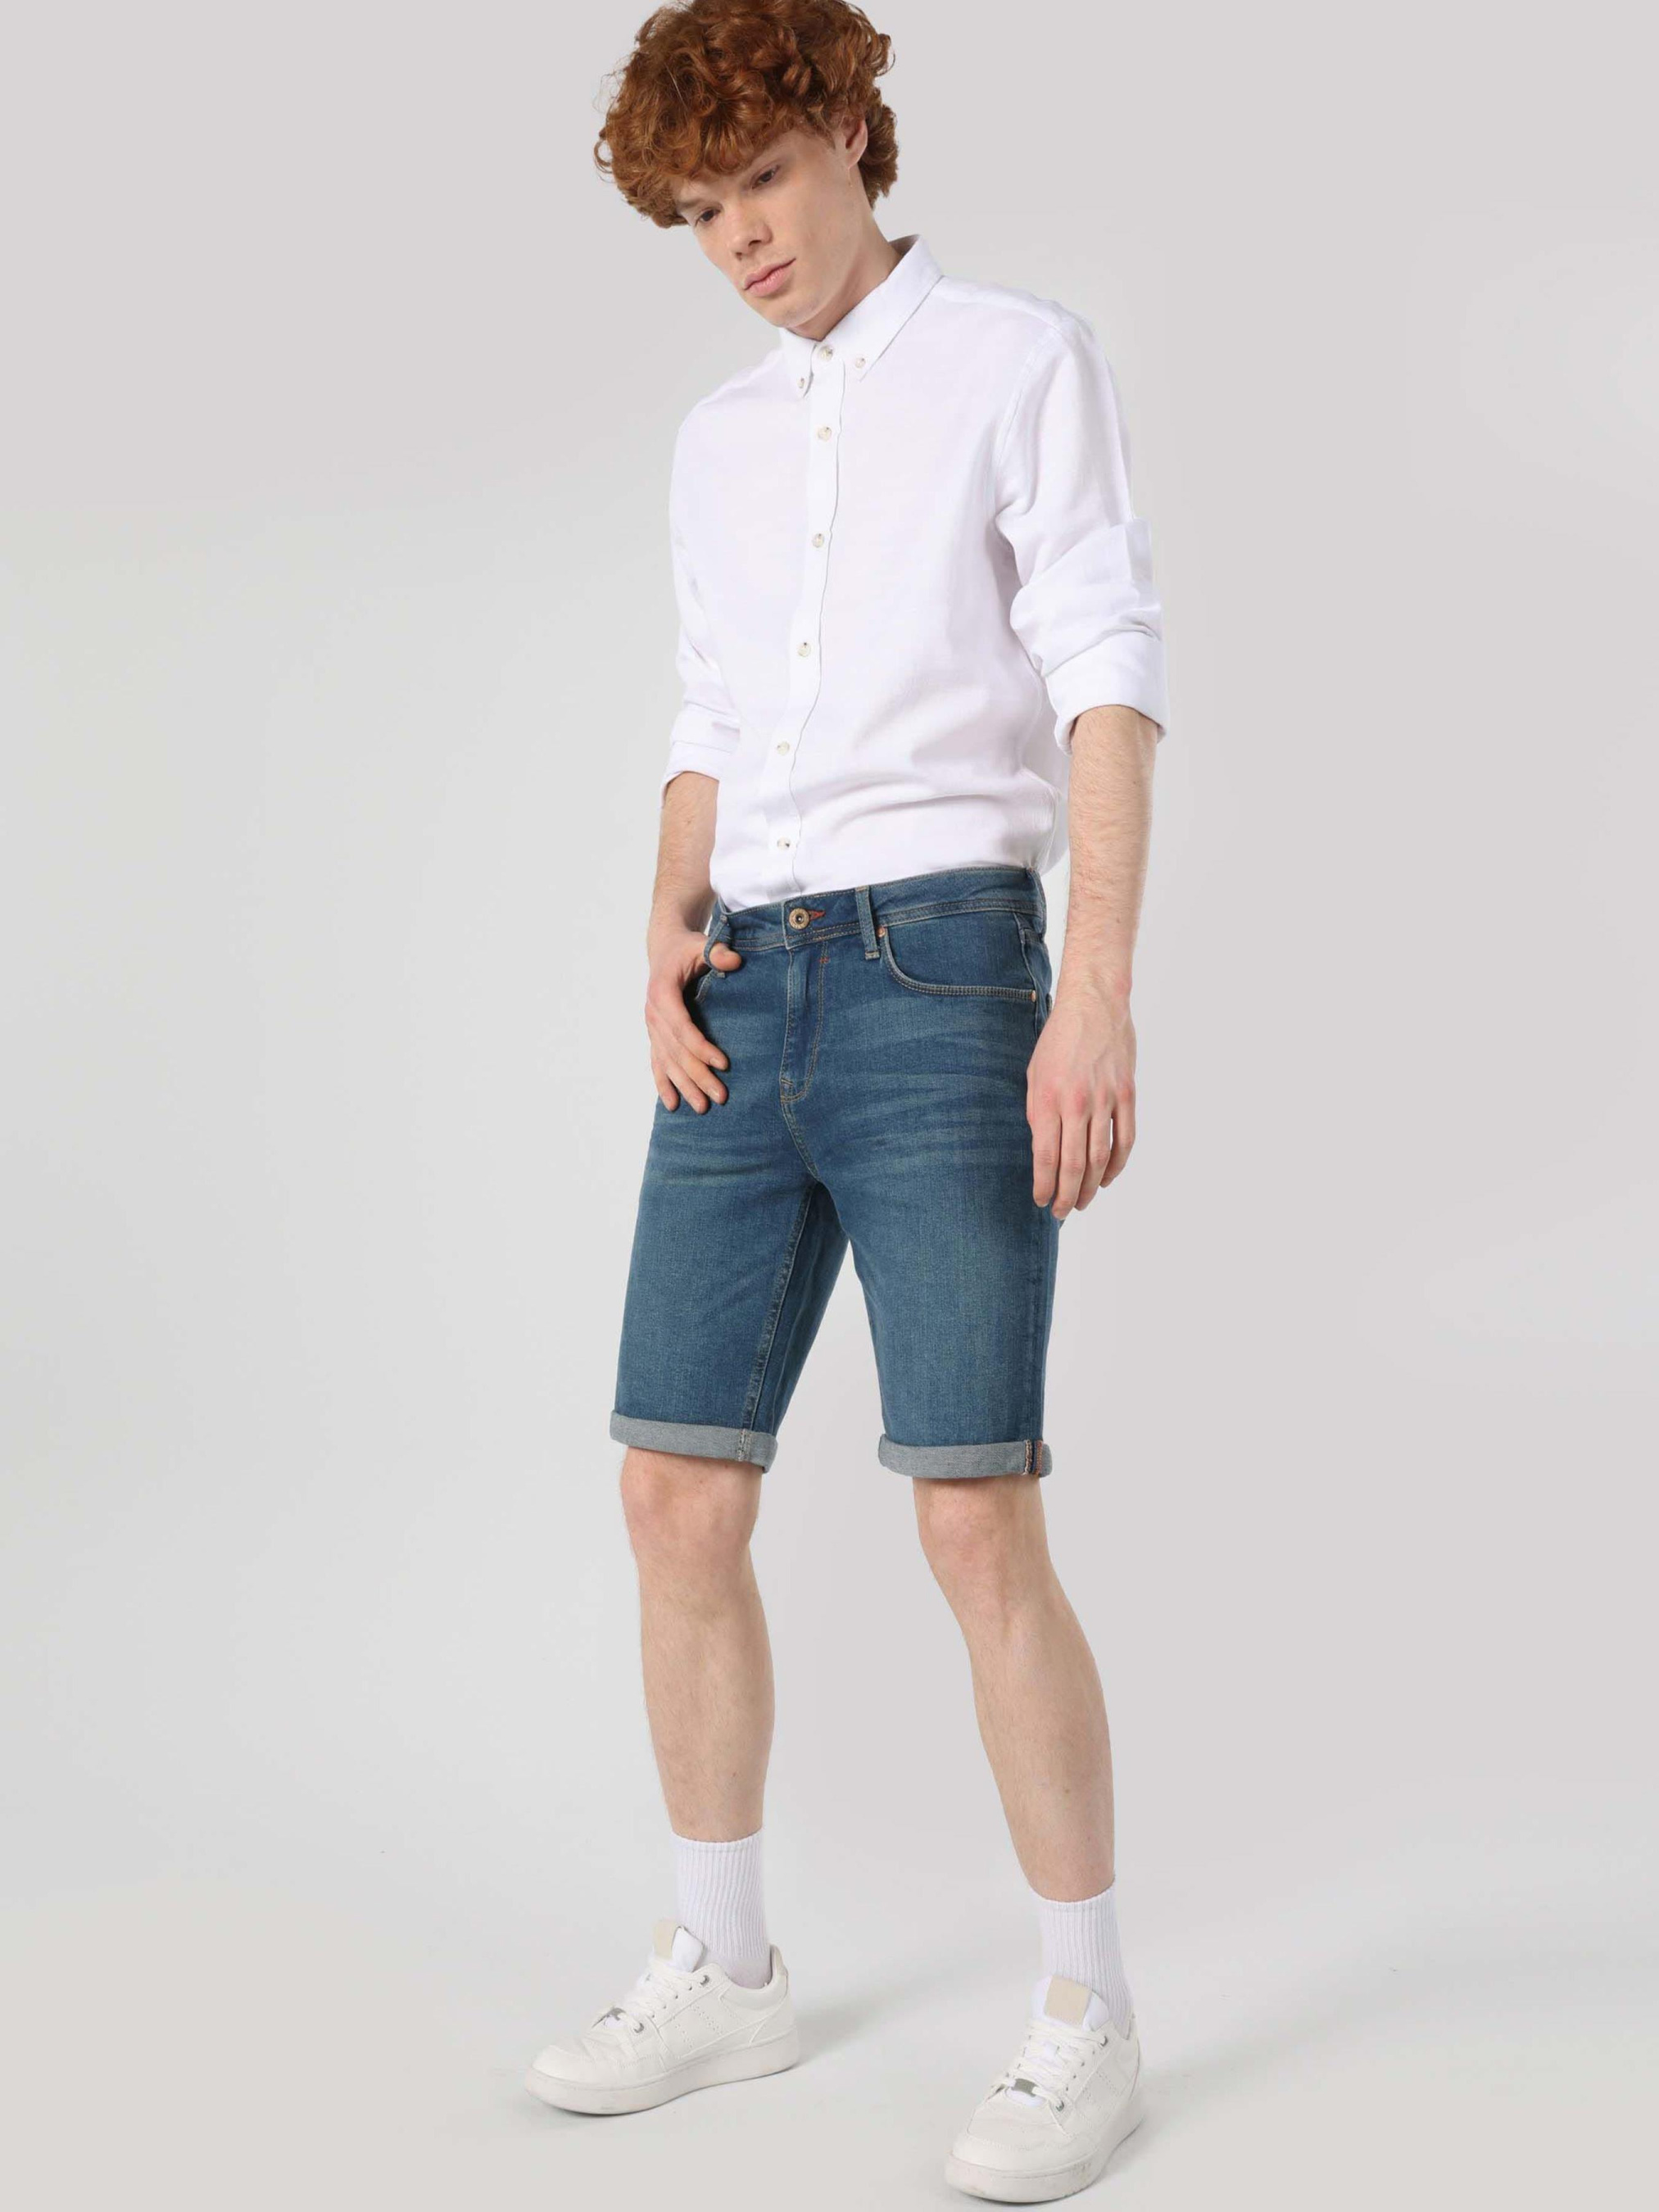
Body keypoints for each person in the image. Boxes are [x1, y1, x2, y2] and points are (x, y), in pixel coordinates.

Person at [526, 3, 1167, 2197]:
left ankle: (1085, 2012)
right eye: (698, 213)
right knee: (669, 1491)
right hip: (743, 985)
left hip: (944, 977)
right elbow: (709, 712)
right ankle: (726, 1966)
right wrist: (660, 919)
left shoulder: (1015, 359)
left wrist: (1093, 996)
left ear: (846, 135)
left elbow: (1104, 671)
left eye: (762, 184)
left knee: (971, 1511)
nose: (737, 240)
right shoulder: (715, 440)